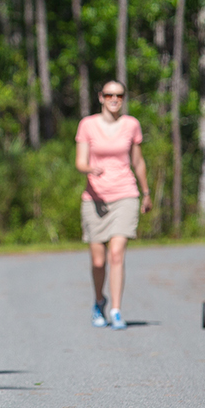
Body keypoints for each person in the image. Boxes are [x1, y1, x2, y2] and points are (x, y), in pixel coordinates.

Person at [75, 81, 153, 330]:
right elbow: (80, 161)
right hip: (95, 198)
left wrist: (146, 192)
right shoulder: (87, 125)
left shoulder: (131, 125)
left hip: (125, 194)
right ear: (100, 97)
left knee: (116, 253)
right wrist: (90, 168)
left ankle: (117, 311)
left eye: (119, 95)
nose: (114, 99)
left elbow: (138, 161)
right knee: (99, 261)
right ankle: (99, 302)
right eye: (109, 94)